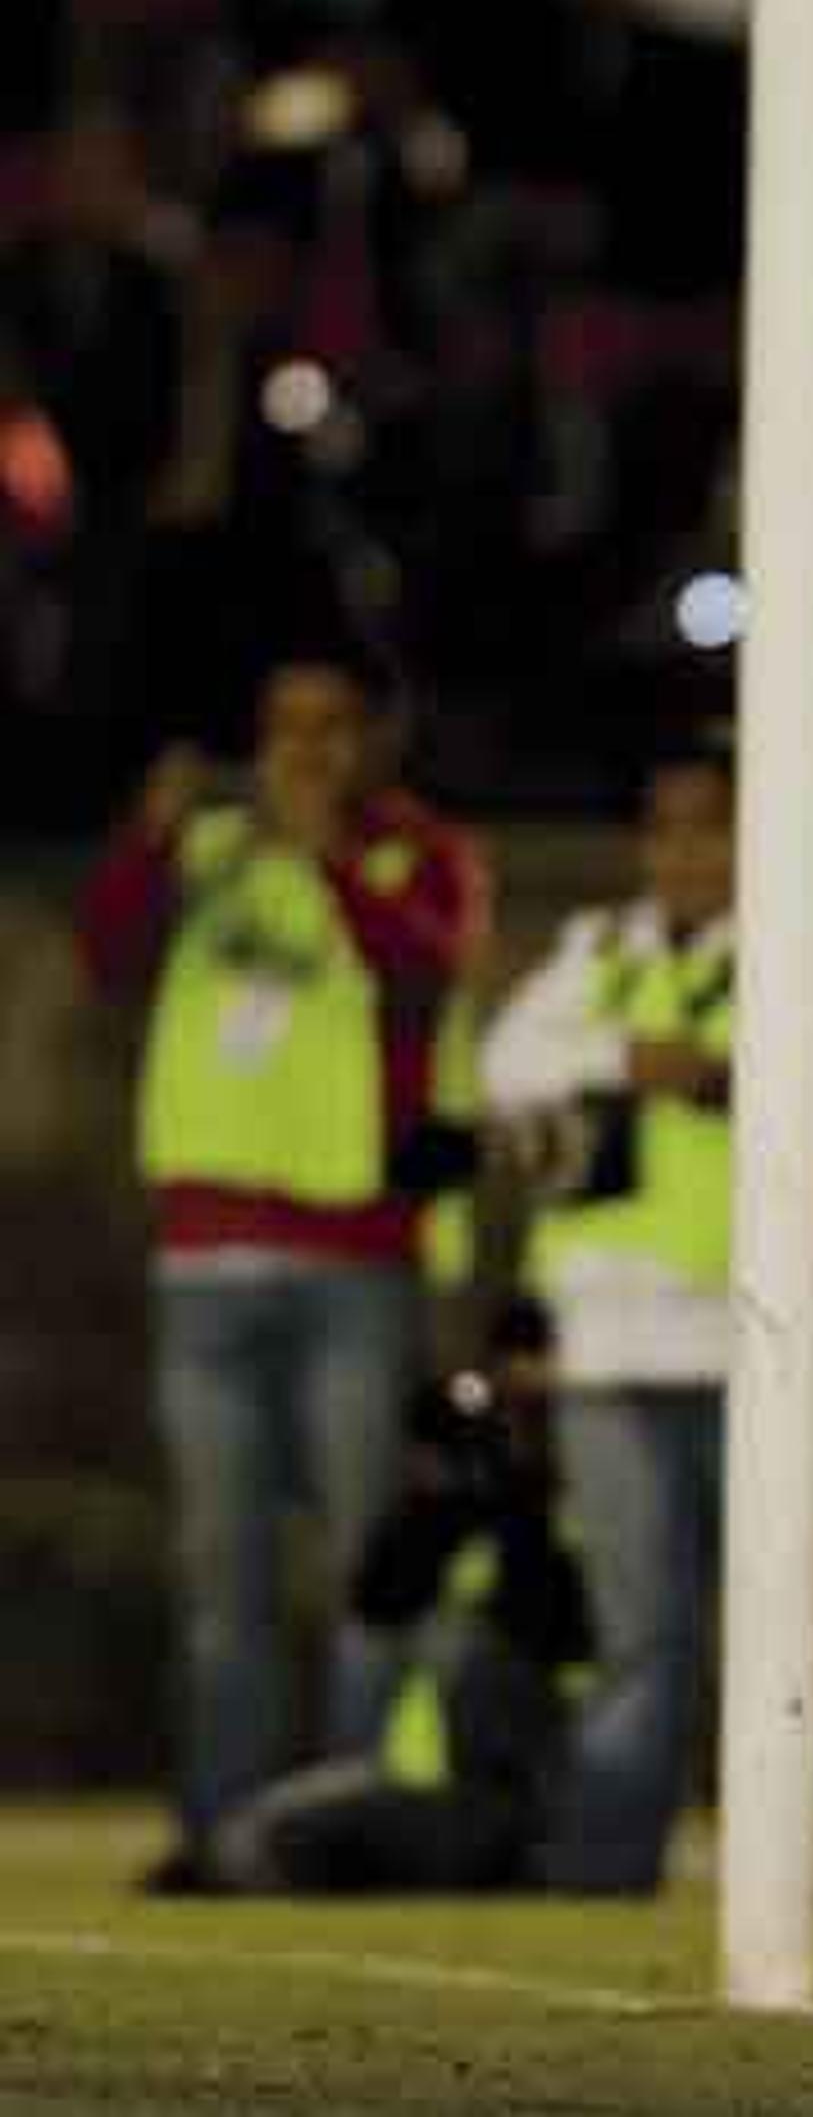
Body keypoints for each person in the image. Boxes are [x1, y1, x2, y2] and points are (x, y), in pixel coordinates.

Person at [477, 713, 813, 1893]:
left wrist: (753, 1074)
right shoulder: (602, 947)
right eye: (669, 832)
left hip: (787, 1340)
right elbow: (506, 1066)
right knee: (639, 1627)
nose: (689, 855)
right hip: (613, 1338)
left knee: (801, 1620)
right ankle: (609, 1860)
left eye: (713, 828)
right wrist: (620, 1064)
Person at [76, 635, 487, 1889]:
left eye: (329, 724)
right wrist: (149, 837)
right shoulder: (210, 855)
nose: (302, 750)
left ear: (378, 737)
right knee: (223, 1573)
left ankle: (339, 1834)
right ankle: (224, 1830)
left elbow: (427, 972)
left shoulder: (423, 854)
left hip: (353, 1261)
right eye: (283, 724)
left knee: (366, 1564)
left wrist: (330, 859)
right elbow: (105, 952)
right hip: (206, 1261)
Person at [194, 1299, 592, 1894]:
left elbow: (549, 1642)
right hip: (415, 1782)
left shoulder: (545, 1524)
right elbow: (377, 1601)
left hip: (509, 1796)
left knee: (267, 1839)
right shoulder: (428, 1531)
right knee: (261, 1833)